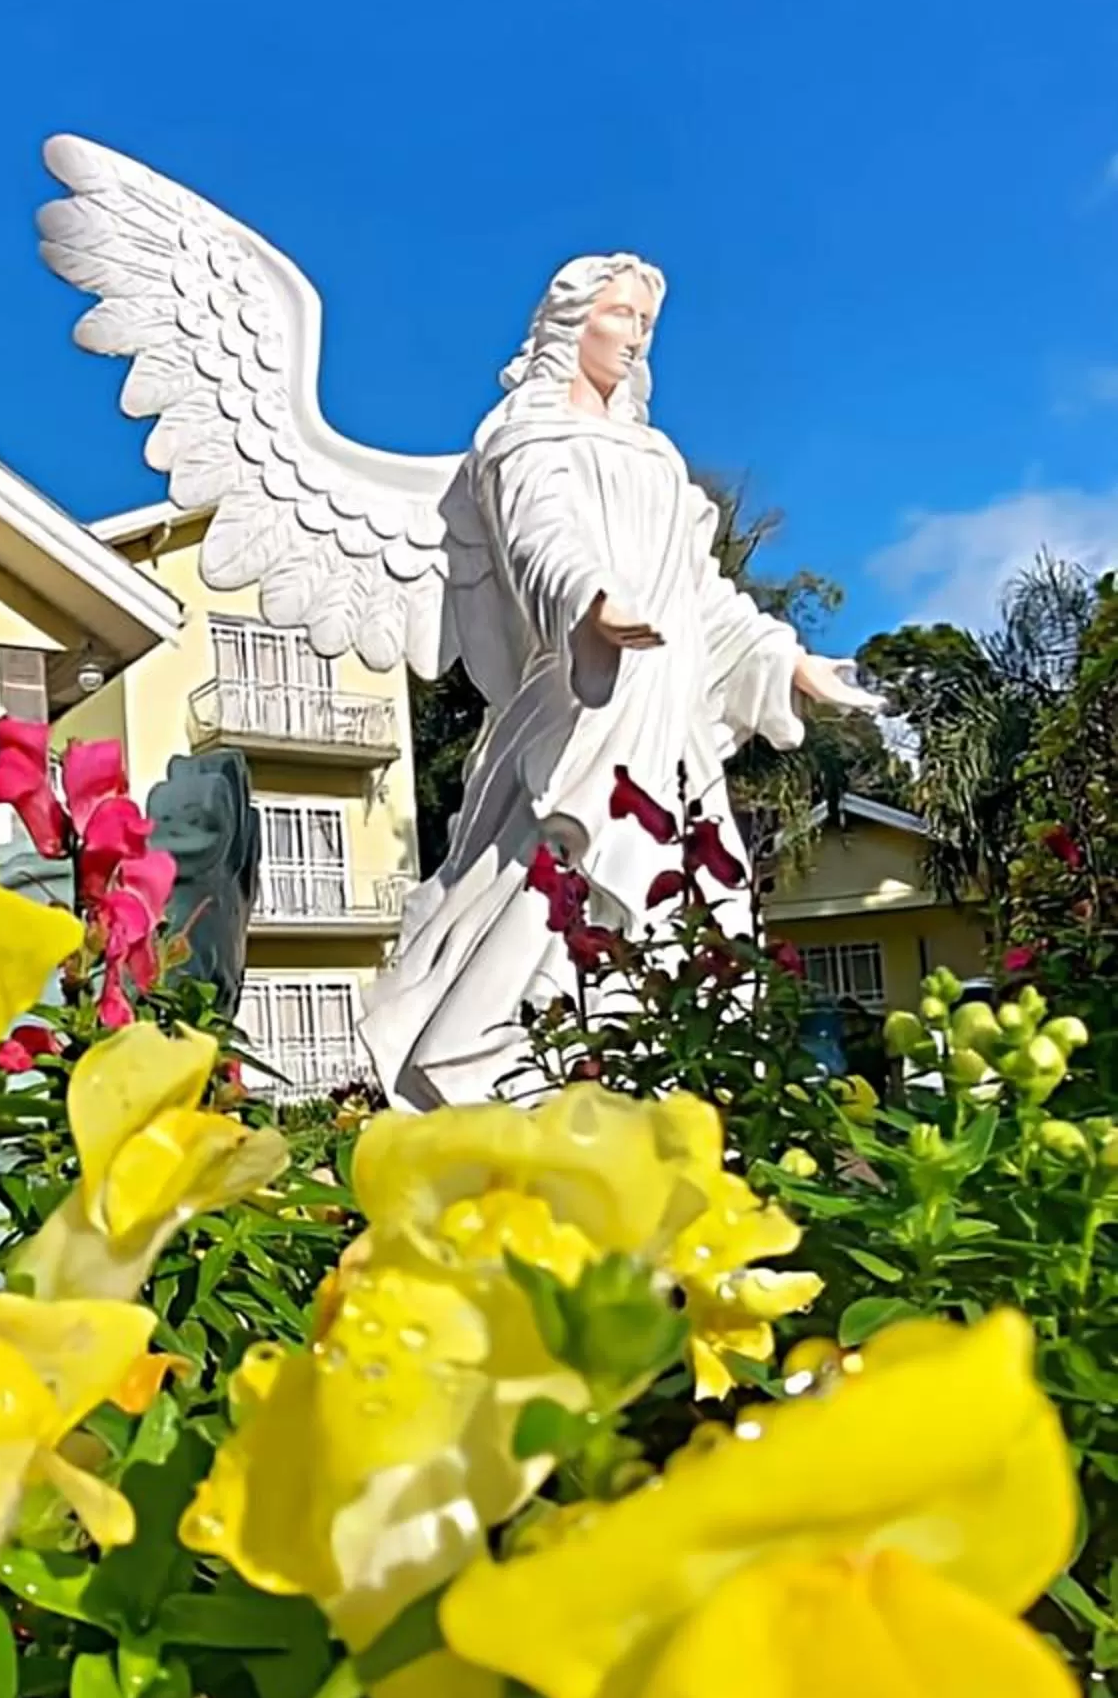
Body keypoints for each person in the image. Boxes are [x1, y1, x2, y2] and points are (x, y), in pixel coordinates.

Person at [361, 253, 875, 1107]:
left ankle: (670, 1109)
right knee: (562, 889)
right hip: (582, 706)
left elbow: (698, 589)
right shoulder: (523, 434)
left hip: (665, 715)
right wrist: (589, 602)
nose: (637, 338)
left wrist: (786, 657)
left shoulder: (656, 454)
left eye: (646, 323)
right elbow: (541, 535)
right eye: (621, 316)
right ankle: (510, 1086)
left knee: (690, 903)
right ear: (571, 325)